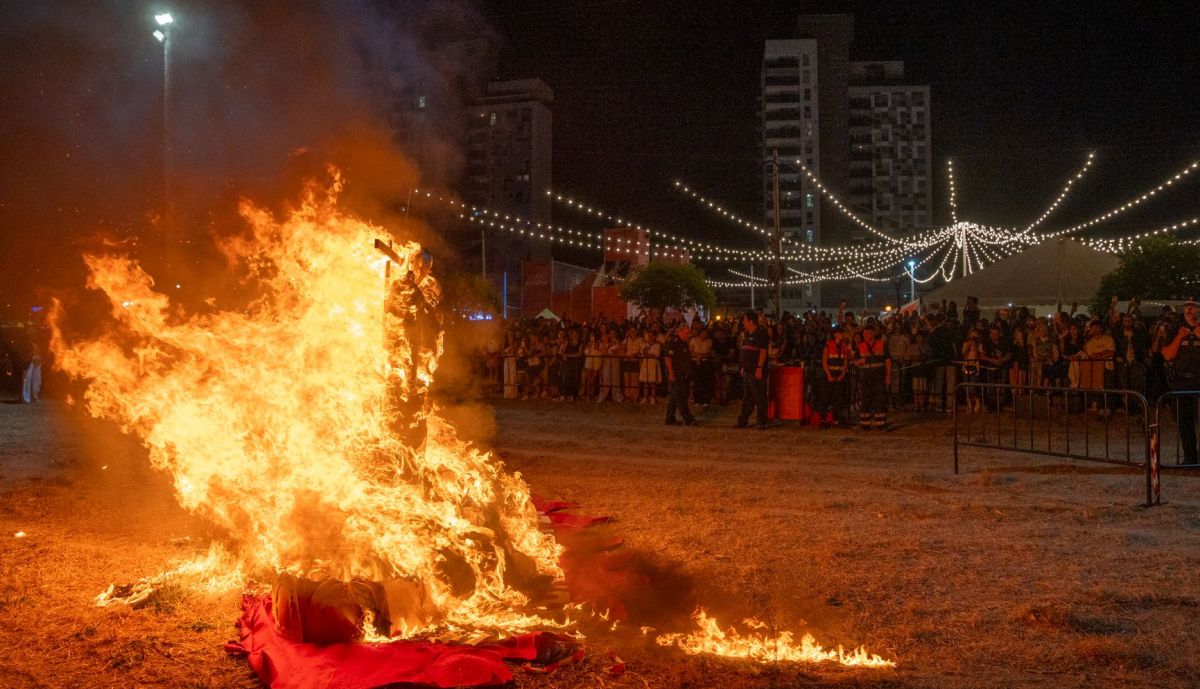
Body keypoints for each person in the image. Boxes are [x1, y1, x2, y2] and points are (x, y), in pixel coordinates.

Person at [1161, 297, 1200, 464]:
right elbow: (1167, 354)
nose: (1189, 310)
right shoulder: (1176, 328)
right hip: (1182, 381)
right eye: (1187, 307)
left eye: (1193, 306)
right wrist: (1180, 336)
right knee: (1185, 423)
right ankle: (1190, 457)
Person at [853, 322, 891, 429]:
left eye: (868, 332)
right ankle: (865, 423)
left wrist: (888, 375)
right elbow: (855, 361)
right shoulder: (860, 346)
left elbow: (887, 360)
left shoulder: (881, 344)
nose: (865, 335)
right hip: (865, 378)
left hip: (879, 377)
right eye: (864, 333)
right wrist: (860, 361)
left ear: (873, 333)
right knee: (865, 399)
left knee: (880, 400)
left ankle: (880, 424)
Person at [735, 311, 769, 429]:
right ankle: (743, 420)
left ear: (751, 321)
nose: (743, 322)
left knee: (759, 396)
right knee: (748, 397)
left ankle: (762, 421)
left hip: (756, 370)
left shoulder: (760, 333)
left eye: (745, 319)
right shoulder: (747, 333)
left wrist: (759, 367)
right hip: (748, 370)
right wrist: (743, 367)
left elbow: (763, 351)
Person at [814, 325, 851, 427]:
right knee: (826, 396)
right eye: (841, 333)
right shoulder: (828, 344)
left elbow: (846, 361)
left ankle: (836, 418)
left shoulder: (844, 345)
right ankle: (823, 419)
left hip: (839, 374)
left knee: (837, 397)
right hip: (829, 374)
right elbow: (824, 361)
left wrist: (843, 374)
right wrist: (829, 375)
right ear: (835, 334)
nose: (843, 334)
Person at [664, 324, 698, 426]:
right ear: (679, 332)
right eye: (686, 333)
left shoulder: (684, 343)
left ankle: (669, 418)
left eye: (689, 333)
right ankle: (688, 418)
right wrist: (671, 373)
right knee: (681, 396)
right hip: (676, 373)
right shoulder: (673, 343)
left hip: (682, 374)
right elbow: (668, 359)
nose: (688, 335)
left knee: (674, 397)